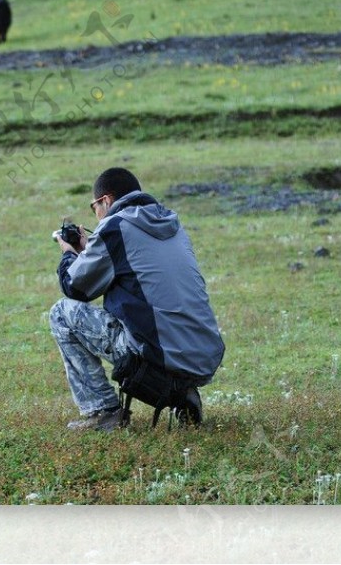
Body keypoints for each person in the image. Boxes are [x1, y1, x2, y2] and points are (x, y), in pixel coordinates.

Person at [49, 167, 225, 431]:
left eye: (93, 207)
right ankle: (182, 392)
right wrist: (92, 252)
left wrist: (69, 254)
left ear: (105, 200)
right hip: (203, 354)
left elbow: (75, 287)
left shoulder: (115, 227)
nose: (95, 215)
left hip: (160, 352)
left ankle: (104, 413)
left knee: (62, 314)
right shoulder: (172, 223)